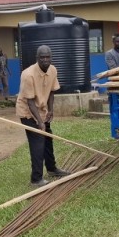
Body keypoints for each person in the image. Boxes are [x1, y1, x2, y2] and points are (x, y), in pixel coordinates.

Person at [16, 45, 70, 187]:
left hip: (41, 109)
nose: (45, 60)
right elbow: (30, 101)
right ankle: (36, 179)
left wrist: (50, 110)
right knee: (38, 142)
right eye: (42, 57)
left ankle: (52, 169)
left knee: (47, 138)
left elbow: (52, 91)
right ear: (37, 58)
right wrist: (40, 122)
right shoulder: (28, 75)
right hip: (27, 112)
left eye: (47, 57)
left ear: (51, 58)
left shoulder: (53, 70)